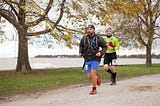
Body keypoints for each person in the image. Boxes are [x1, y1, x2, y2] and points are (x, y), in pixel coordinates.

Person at [78, 24, 107, 95]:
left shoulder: (99, 38)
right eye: (88, 29)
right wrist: (80, 52)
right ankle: (97, 78)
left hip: (95, 58)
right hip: (87, 59)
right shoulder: (84, 38)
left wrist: (100, 53)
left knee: (93, 73)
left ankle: (94, 89)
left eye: (90, 29)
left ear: (94, 30)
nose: (89, 30)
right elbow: (81, 46)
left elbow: (105, 47)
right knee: (89, 76)